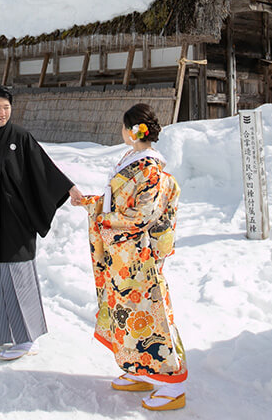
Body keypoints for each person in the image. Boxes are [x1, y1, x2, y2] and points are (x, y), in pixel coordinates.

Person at [0, 86, 84, 360]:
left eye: (7, 107)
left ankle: (26, 337)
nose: (2, 112)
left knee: (16, 271)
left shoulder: (20, 137)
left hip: (15, 217)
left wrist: (68, 188)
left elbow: (43, 168)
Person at [73, 103, 187, 411]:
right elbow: (119, 205)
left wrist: (102, 220)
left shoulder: (150, 170)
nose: (121, 132)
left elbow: (141, 216)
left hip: (139, 258)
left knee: (151, 315)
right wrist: (91, 203)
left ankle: (170, 383)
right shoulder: (133, 162)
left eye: (124, 127)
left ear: (132, 130)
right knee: (129, 315)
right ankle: (141, 369)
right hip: (123, 257)